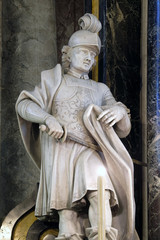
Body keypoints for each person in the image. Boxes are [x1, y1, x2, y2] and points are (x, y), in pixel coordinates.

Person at [16, 14, 139, 240]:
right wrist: (47, 119)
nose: (88, 59)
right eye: (83, 52)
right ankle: (69, 236)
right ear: (68, 53)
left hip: (90, 150)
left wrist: (121, 111)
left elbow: (123, 130)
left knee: (99, 189)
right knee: (67, 209)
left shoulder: (100, 89)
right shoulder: (53, 81)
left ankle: (103, 235)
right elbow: (24, 105)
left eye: (92, 55)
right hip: (61, 150)